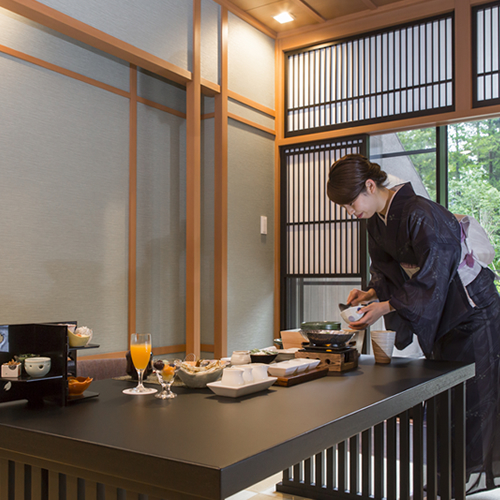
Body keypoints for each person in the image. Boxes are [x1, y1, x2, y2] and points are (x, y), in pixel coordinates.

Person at [327, 153, 500, 494]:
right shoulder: (376, 222)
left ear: (371, 185)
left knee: (475, 398)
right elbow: (389, 271)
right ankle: (445, 477)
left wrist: (386, 306)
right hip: (443, 314)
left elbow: (434, 274)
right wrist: (370, 292)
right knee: (442, 397)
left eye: (351, 203)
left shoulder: (420, 212)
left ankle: (472, 479)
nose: (351, 212)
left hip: (473, 310)